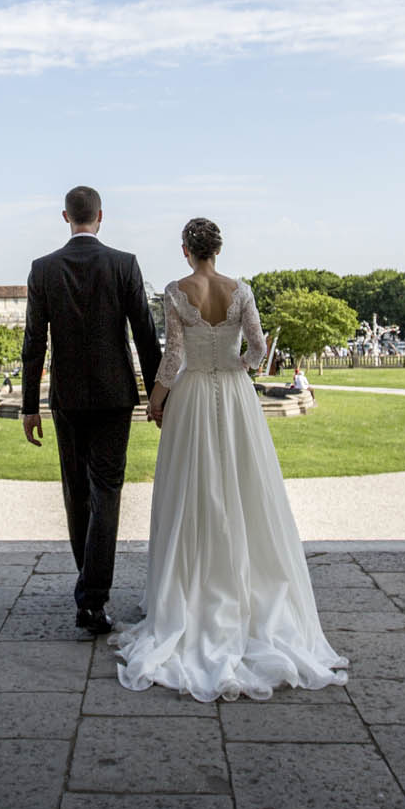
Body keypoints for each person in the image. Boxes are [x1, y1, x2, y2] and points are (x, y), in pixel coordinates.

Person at [114, 217, 348, 702]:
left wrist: (156, 398)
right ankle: (246, 592)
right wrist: (237, 368)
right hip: (236, 396)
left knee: (191, 493)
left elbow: (173, 357)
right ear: (218, 249)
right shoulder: (240, 290)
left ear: (185, 250)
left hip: (194, 396)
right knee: (245, 490)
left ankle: (191, 592)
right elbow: (259, 349)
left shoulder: (178, 292)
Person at [21, 185, 162, 636]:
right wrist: (161, 391)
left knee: (76, 491)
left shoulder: (43, 269)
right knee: (108, 491)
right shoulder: (124, 264)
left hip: (67, 397)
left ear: (66, 217)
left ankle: (90, 588)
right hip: (114, 394)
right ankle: (92, 597)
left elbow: (33, 344)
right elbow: (144, 332)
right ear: (101, 216)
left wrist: (29, 404)